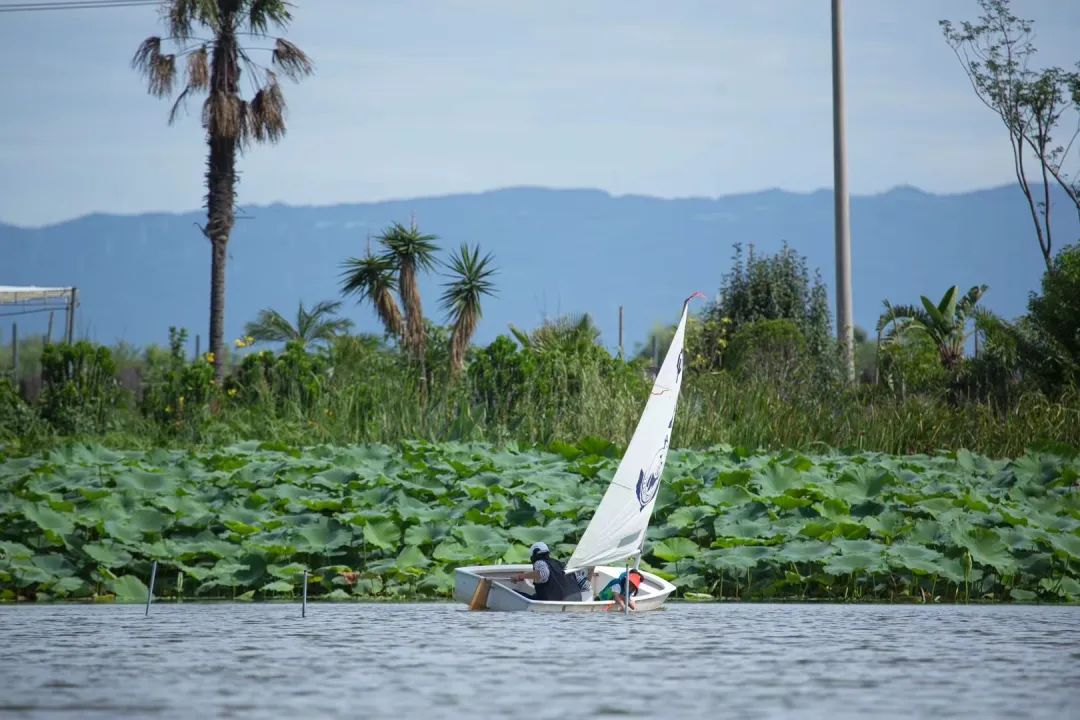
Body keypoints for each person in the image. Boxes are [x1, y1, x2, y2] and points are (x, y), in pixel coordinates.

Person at [512, 541, 576, 601]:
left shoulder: (540, 562)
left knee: (513, 592)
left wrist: (521, 576)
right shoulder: (558, 563)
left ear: (535, 553)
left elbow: (542, 575)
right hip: (563, 599)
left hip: (547, 600)